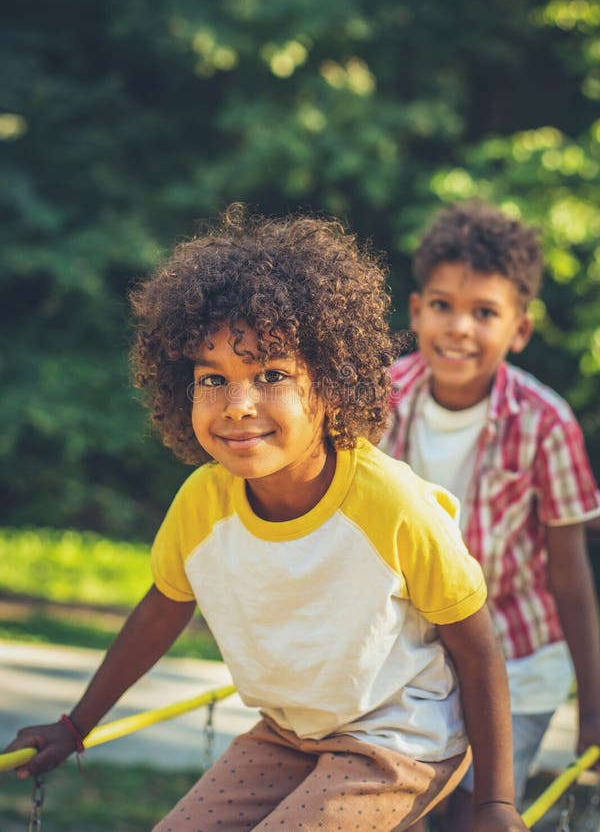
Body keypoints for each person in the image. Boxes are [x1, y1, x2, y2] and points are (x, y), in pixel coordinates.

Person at [4, 205, 527, 831]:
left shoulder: (393, 506)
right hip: (288, 735)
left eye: (272, 374)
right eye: (212, 379)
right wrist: (75, 724)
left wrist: (496, 804)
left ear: (331, 383)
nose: (237, 404)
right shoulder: (203, 501)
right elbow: (161, 609)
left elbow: (477, 651)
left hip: (398, 742)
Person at [381, 200, 600, 831]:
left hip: (515, 664)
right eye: (444, 305)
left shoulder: (545, 422)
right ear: (417, 310)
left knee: (473, 817)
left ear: (519, 330)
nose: (459, 328)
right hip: (407, 663)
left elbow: (570, 576)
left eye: (485, 313)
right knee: (394, 813)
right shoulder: (378, 401)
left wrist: (593, 702)